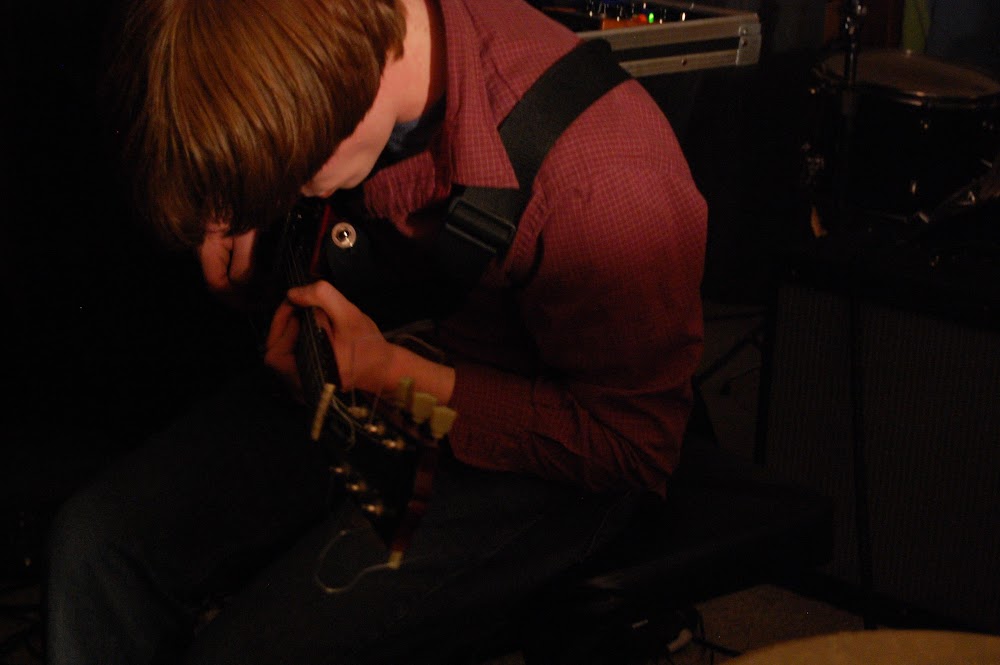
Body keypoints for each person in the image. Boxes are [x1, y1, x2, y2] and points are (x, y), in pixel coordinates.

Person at [45, 0, 707, 662]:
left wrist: (392, 375)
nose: (292, 190)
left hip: (537, 455)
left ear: (359, 74)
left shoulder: (604, 177)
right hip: (376, 375)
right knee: (96, 545)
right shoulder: (344, 52)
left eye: (295, 166)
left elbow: (634, 444)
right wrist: (234, 199)